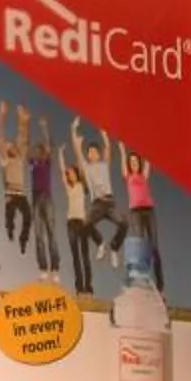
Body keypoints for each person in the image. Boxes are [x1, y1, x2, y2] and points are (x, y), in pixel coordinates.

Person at [71, 118, 125, 260]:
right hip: (97, 203)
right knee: (85, 225)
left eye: (95, 151)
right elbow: (78, 152)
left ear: (98, 154)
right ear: (88, 156)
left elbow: (108, 148)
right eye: (90, 152)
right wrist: (74, 130)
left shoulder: (104, 165)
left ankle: (114, 248)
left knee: (124, 224)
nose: (92, 154)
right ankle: (100, 243)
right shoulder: (87, 168)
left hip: (110, 201)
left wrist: (104, 134)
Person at [0, 102, 33, 260]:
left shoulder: (19, 158)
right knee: (10, 214)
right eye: (8, 146)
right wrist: (2, 115)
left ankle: (23, 240)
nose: (10, 146)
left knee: (28, 216)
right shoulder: (4, 160)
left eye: (12, 146)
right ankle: (10, 228)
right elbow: (0, 136)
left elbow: (22, 137)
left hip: (21, 193)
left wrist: (22, 119)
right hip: (10, 193)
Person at [59, 154, 95, 295]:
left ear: (77, 174)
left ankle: (88, 286)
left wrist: (78, 148)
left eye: (73, 173)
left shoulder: (82, 185)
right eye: (69, 174)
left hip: (82, 222)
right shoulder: (69, 187)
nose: (71, 175)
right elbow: (62, 172)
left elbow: (81, 168)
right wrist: (61, 156)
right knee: (76, 256)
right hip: (71, 223)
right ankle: (79, 287)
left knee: (85, 255)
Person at [28, 125, 59, 272]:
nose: (38, 152)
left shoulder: (47, 162)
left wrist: (45, 128)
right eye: (37, 151)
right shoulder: (32, 163)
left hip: (47, 197)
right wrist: (26, 124)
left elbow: (49, 146)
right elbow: (27, 150)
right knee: (38, 234)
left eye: (40, 150)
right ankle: (43, 266)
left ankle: (55, 266)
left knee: (51, 232)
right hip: (35, 199)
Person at [120, 145, 158, 267]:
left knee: (154, 244)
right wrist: (121, 147)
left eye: (135, 161)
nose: (133, 163)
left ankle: (159, 281)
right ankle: (142, 271)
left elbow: (147, 160)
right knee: (140, 241)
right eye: (131, 162)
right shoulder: (128, 177)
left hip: (149, 211)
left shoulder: (144, 175)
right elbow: (123, 156)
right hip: (135, 212)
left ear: (139, 162)